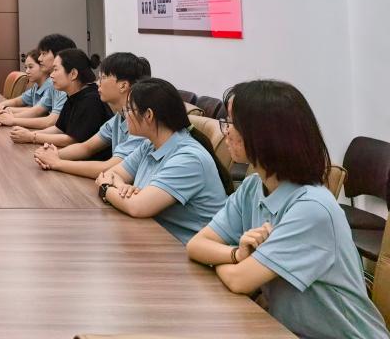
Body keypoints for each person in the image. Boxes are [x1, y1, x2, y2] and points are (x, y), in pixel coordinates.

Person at [187, 80, 389, 339]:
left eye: (233, 123)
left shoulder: (312, 209)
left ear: (264, 135)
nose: (226, 130)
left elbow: (239, 280)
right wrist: (237, 254)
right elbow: (196, 245)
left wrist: (225, 261)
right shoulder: (253, 187)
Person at [95, 77, 231, 244]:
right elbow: (111, 173)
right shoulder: (150, 145)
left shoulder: (188, 158)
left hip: (186, 250)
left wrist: (106, 189)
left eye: (129, 109)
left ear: (148, 115)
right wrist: (122, 187)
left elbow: (137, 207)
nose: (125, 115)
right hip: (156, 239)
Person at [33, 52, 150, 177]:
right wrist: (52, 154)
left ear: (123, 85)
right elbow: (86, 147)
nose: (98, 83)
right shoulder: (118, 118)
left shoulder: (141, 122)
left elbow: (110, 168)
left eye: (103, 77)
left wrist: (57, 163)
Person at [10, 49, 112, 150]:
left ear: (73, 74)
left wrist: (32, 137)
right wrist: (29, 134)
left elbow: (72, 140)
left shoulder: (91, 100)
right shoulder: (73, 96)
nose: (51, 75)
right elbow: (59, 129)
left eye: (55, 70)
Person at [0, 34, 76, 131]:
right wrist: (5, 112)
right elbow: (37, 110)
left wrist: (12, 118)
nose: (40, 59)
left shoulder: (65, 86)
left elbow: (51, 121)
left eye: (44, 54)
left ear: (59, 56)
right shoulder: (54, 83)